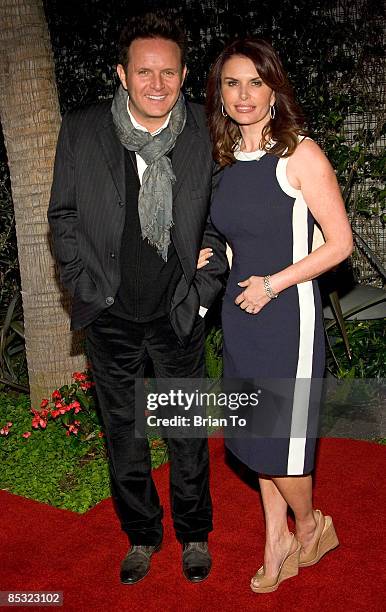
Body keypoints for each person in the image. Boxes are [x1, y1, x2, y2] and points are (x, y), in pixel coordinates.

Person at [48, 12, 227, 585]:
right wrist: (83, 283)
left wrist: (201, 294)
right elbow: (64, 217)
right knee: (124, 435)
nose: (157, 84)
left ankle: (194, 533)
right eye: (144, 72)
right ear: (122, 74)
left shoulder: (205, 130)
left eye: (168, 73)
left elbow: (222, 220)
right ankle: (142, 535)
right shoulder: (81, 131)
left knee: (186, 433)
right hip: (111, 315)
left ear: (182, 75)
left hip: (178, 312)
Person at [206, 38, 353, 593]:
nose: (243, 94)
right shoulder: (223, 160)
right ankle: (278, 539)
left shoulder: (300, 154)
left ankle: (312, 525)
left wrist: (274, 283)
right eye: (231, 83)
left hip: (287, 316)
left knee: (282, 445)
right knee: (255, 437)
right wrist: (212, 254)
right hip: (240, 315)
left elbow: (339, 244)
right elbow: (238, 238)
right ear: (219, 94)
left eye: (255, 82)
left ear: (273, 90)